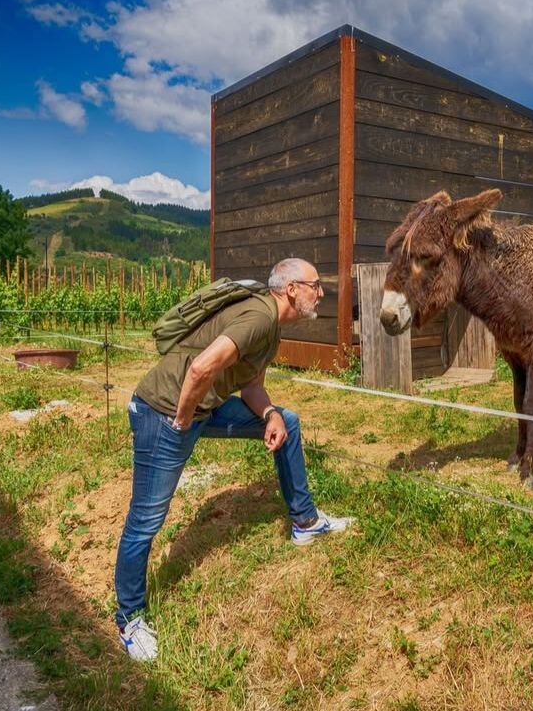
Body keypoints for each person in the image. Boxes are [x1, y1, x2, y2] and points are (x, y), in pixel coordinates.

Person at [113, 257, 354, 661]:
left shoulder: (270, 328)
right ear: (292, 289)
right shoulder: (259, 316)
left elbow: (251, 389)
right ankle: (129, 618)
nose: (321, 293)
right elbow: (201, 368)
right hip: (164, 415)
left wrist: (270, 414)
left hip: (197, 411)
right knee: (146, 520)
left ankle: (306, 522)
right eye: (316, 285)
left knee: (288, 422)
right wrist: (182, 422)